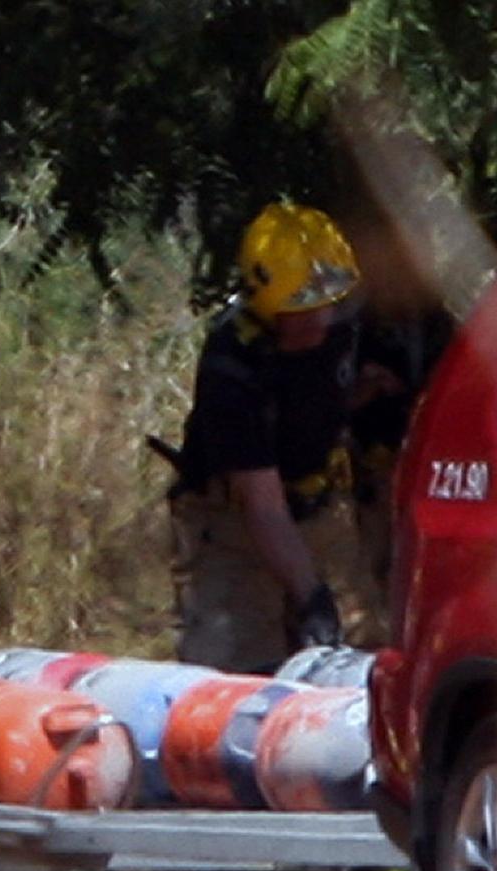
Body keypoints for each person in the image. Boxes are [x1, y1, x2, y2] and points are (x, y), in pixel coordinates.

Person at [166, 201, 367, 674]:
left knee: (355, 664)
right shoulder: (232, 364)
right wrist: (312, 598)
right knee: (237, 673)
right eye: (301, 308)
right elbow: (262, 505)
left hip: (320, 512)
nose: (319, 321)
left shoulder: (344, 325)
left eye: (328, 304)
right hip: (236, 528)